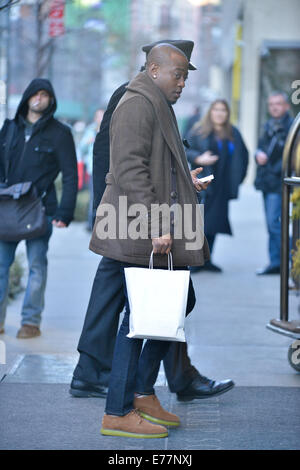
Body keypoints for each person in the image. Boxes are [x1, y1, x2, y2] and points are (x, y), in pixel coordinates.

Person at [70, 40, 234, 406]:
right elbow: (122, 163)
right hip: (133, 217)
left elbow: (149, 160)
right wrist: (117, 212)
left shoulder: (156, 99)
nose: (182, 82)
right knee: (158, 302)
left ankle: (141, 382)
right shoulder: (135, 99)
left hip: (138, 213)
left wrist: (179, 178)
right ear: (154, 68)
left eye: (185, 74)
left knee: (162, 300)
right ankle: (131, 389)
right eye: (178, 72)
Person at [0, 78, 78, 338]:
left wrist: (65, 212)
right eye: (35, 94)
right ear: (27, 97)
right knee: (1, 266)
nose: (38, 99)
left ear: (51, 100)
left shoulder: (60, 133)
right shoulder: (9, 128)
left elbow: (69, 175)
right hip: (6, 209)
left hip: (40, 209)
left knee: (37, 266)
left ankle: (30, 322)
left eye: (44, 95)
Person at [186, 99, 249, 272]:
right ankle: (195, 261)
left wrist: (238, 179)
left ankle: (207, 260)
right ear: (210, 112)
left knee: (214, 224)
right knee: (200, 224)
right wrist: (199, 158)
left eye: (223, 110)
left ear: (227, 113)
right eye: (216, 110)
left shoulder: (233, 132)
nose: (219, 113)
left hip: (223, 185)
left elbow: (244, 155)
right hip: (204, 185)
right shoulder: (199, 131)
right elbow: (184, 149)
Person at [255, 92, 293, 275]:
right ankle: (276, 262)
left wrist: (272, 167)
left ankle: (290, 260)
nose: (274, 107)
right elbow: (261, 147)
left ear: (286, 106)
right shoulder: (269, 125)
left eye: (278, 104)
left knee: (274, 224)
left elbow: (291, 156)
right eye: (271, 104)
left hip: (279, 182)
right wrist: (258, 154)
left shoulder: (292, 127)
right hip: (267, 182)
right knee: (272, 224)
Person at [78, 109, 104, 231]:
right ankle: (91, 223)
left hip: (105, 169)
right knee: (93, 196)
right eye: (98, 116)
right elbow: (81, 148)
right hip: (93, 169)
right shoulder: (90, 131)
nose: (101, 118)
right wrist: (88, 142)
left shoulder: (108, 129)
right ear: (95, 118)